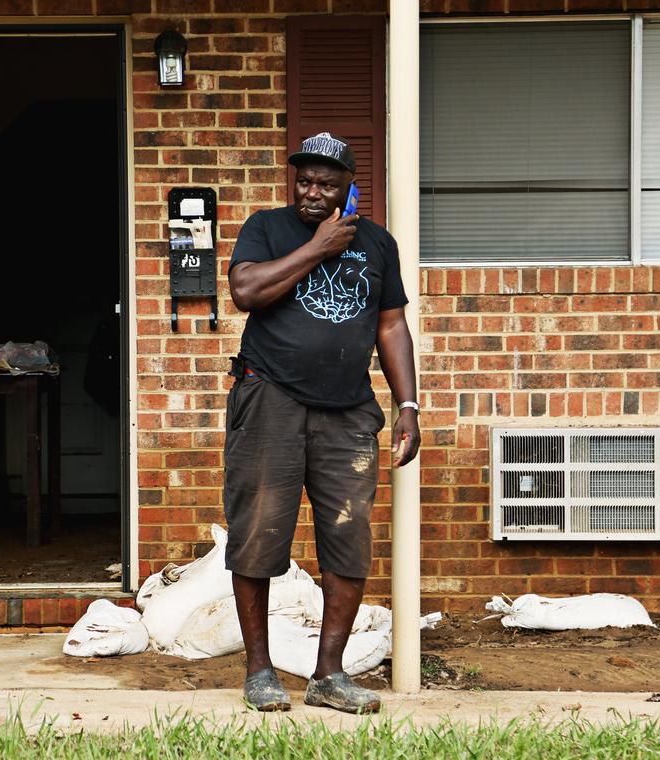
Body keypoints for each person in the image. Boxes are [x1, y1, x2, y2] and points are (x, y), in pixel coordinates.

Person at [224, 132, 420, 714]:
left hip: (348, 411)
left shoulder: (379, 245)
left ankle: (328, 675)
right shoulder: (266, 227)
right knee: (257, 534)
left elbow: (391, 326)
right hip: (270, 398)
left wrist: (408, 403)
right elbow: (245, 291)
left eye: (327, 184)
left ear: (348, 188)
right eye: (305, 181)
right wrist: (319, 246)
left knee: (348, 538)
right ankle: (259, 670)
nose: (313, 192)